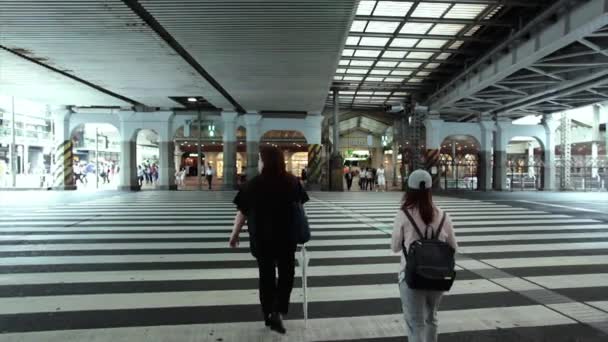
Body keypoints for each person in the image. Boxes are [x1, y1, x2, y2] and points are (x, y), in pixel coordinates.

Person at [229, 146, 309, 335]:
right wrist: (302, 230)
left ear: (265, 162)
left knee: (266, 276)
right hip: (286, 238)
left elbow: (242, 213)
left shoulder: (253, 184)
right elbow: (300, 209)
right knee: (286, 274)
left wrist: (234, 235)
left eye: (259, 159)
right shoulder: (292, 182)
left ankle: (268, 313)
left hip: (262, 238)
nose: (258, 162)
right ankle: (279, 310)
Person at [391, 169, 458, 342]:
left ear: (409, 190)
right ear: (429, 190)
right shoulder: (443, 216)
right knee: (431, 318)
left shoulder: (404, 214)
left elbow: (395, 247)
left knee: (416, 323)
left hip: (412, 276)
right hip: (438, 276)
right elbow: (453, 247)